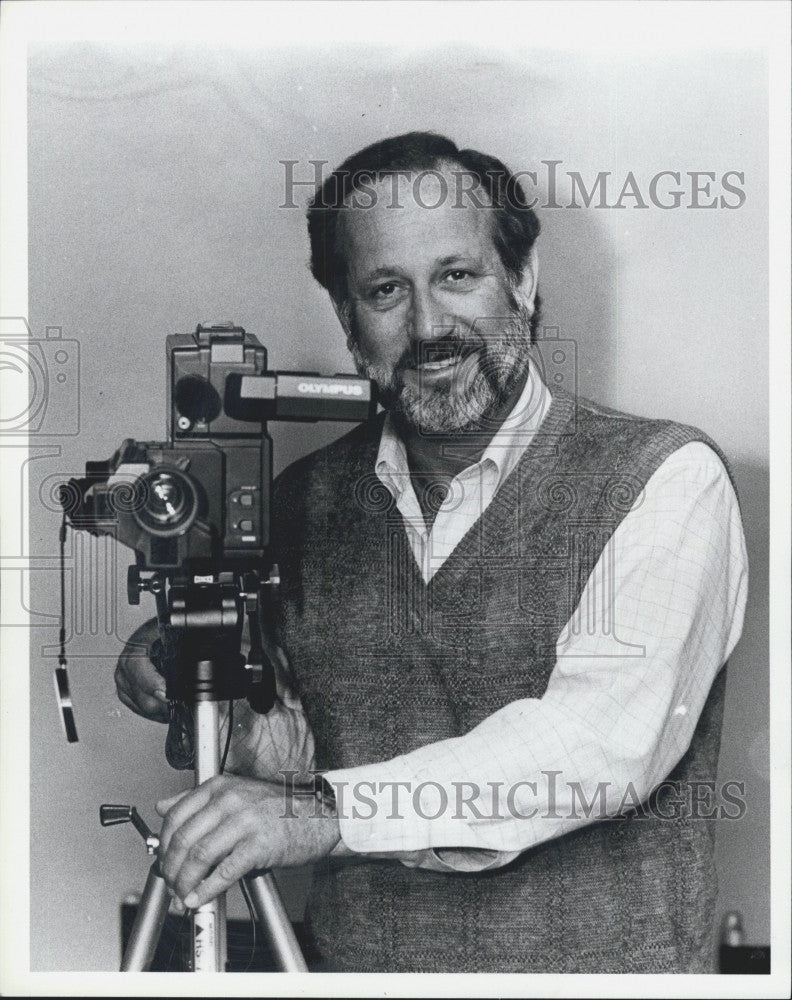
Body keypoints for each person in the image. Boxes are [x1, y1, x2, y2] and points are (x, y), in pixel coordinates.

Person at [115, 132, 748, 973]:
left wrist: (322, 816)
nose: (428, 325)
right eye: (385, 289)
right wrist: (199, 684)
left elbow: (596, 746)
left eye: (458, 275)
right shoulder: (303, 504)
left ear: (522, 281)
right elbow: (302, 758)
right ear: (347, 321)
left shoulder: (664, 477)